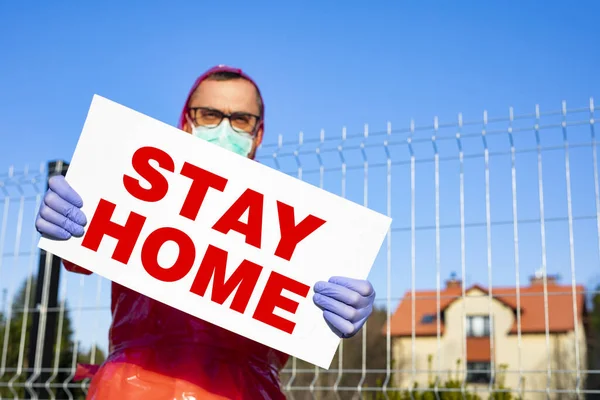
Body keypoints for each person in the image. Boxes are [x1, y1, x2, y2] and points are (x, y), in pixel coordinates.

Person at [35, 65, 376, 399]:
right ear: (187, 123)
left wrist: (342, 308)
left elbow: (307, 307)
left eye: (241, 119)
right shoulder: (137, 188)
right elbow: (88, 250)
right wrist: (68, 224)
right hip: (130, 388)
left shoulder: (291, 223)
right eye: (210, 115)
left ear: (257, 135)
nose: (225, 129)